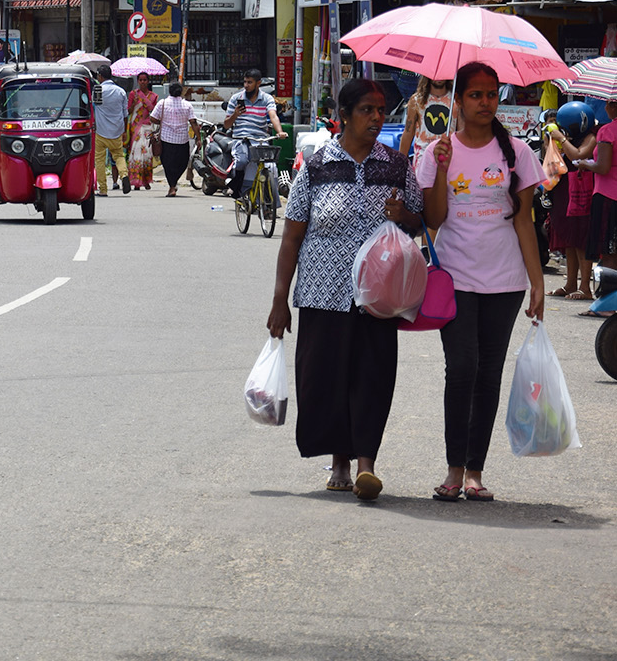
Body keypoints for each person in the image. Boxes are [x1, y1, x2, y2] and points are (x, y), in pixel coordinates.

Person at [269, 79, 424, 501]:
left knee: (373, 377)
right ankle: (339, 458)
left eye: (381, 110)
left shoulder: (395, 164)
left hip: (379, 295)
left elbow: (421, 222)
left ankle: (366, 463)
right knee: (326, 378)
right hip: (322, 291)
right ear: (345, 115)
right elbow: (291, 238)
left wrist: (404, 213)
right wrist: (280, 300)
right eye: (368, 110)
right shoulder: (315, 165)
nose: (377, 117)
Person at [417, 62, 547, 503]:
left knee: (489, 373)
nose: (485, 102)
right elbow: (433, 219)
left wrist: (537, 283)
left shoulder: (517, 154)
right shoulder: (437, 150)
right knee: (463, 369)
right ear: (457, 101)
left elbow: (524, 222)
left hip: (505, 281)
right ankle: (454, 469)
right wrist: (440, 168)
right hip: (454, 276)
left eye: (492, 94)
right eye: (475, 95)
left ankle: (475, 471)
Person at [545, 103, 597, 300]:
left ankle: (585, 287)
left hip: (581, 193)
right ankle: (570, 283)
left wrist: (561, 138)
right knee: (568, 237)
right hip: (564, 190)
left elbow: (578, 155)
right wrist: (551, 140)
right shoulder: (569, 138)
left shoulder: (590, 137)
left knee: (580, 238)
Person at [222, 68, 285, 195]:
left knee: (271, 168)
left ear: (258, 83)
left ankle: (269, 205)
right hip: (241, 139)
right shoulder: (236, 98)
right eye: (245, 82)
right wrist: (235, 114)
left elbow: (273, 116)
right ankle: (236, 184)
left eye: (249, 82)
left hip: (260, 139)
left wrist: (280, 132)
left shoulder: (267, 99)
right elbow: (226, 125)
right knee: (242, 161)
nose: (246, 85)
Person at [575, 98, 617, 275]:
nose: (605, 107)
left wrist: (584, 164)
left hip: (609, 195)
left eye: (608, 103)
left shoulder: (607, 131)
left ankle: (609, 298)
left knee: (608, 253)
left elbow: (603, 166)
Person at [150, 81, 201, 197]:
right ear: (181, 91)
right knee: (182, 163)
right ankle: (173, 184)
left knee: (167, 164)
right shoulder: (187, 105)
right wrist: (198, 139)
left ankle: (172, 186)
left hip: (166, 139)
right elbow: (193, 122)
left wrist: (162, 122)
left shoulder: (162, 103)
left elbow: (152, 118)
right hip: (182, 139)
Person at [94, 67, 130, 196]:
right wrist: (124, 130)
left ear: (100, 76)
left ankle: (103, 189)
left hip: (100, 131)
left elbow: (93, 108)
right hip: (116, 130)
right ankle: (124, 175)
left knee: (99, 160)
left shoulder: (97, 91)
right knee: (119, 156)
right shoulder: (120, 91)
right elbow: (125, 114)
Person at [399, 75, 455, 158]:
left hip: (449, 158)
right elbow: (408, 132)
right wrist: (400, 162)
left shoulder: (456, 101)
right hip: (422, 157)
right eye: (436, 73)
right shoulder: (416, 100)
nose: (439, 77)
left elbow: (462, 132)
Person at [126, 73, 160, 191]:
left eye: (145, 80)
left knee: (146, 155)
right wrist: (134, 103)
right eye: (140, 80)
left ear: (148, 81)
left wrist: (145, 101)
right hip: (135, 128)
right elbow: (129, 111)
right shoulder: (133, 94)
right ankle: (136, 181)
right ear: (138, 81)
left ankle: (146, 181)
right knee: (135, 154)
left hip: (147, 128)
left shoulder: (154, 96)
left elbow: (154, 111)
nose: (142, 82)